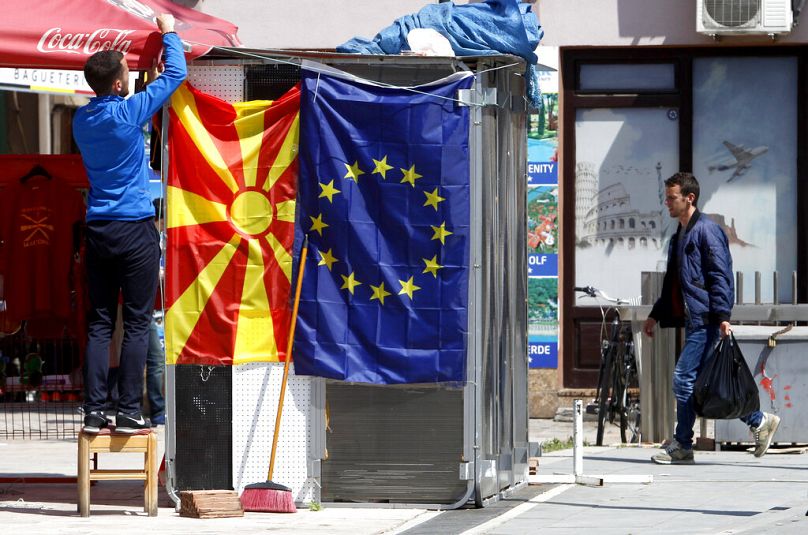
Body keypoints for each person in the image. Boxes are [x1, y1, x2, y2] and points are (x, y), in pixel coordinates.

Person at [73, 14, 186, 434]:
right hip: (135, 226)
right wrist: (169, 31)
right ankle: (128, 412)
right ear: (120, 85)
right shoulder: (128, 113)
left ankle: (93, 411)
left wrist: (135, 80)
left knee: (101, 323)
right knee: (138, 322)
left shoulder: (81, 120)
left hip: (98, 228)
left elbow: (118, 103)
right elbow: (176, 74)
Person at [643, 172, 779, 464]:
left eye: (672, 197)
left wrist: (723, 315)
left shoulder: (707, 230)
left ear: (689, 198)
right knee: (703, 384)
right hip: (695, 319)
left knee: (683, 378)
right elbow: (673, 282)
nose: (667, 203)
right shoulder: (679, 235)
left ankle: (683, 444)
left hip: (707, 320)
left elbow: (721, 274)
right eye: (666, 197)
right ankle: (758, 421)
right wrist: (656, 315)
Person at [146, 198, 165, 426]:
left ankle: (158, 408)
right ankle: (157, 409)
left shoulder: (165, 238)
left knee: (157, 360)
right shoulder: (149, 237)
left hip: (162, 307)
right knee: (156, 360)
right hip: (148, 308)